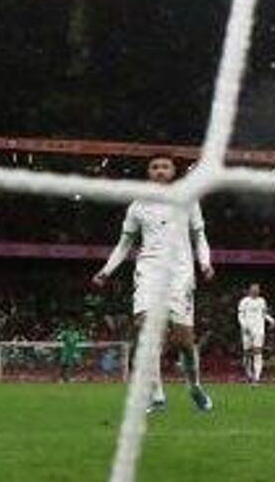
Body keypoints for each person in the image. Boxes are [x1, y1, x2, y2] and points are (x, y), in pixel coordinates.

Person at [89, 154, 214, 415]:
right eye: (155, 167)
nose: (159, 170)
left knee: (184, 342)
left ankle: (194, 386)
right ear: (149, 172)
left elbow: (200, 236)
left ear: (173, 171)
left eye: (165, 166)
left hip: (180, 275)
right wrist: (106, 271)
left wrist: (205, 263)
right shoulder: (137, 206)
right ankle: (157, 397)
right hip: (148, 273)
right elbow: (124, 244)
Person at [236, 284, 275, 385]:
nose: (256, 291)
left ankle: (257, 377)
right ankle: (248, 374)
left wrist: (271, 320)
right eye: (254, 289)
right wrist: (244, 326)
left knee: (258, 352)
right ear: (250, 290)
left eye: (257, 290)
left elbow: (263, 313)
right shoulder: (244, 301)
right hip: (247, 331)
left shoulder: (262, 301)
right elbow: (240, 315)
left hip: (259, 330)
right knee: (247, 353)